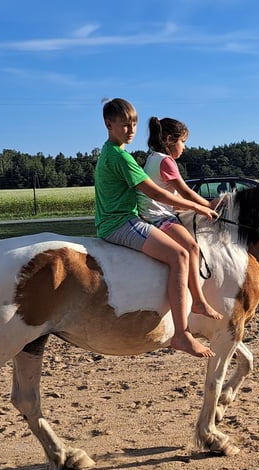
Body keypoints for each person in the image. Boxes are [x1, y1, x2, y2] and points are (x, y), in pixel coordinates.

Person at [94, 98, 219, 358]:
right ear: (109, 124)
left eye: (134, 125)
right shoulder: (121, 157)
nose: (130, 130)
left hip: (116, 220)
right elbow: (157, 194)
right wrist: (199, 208)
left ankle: (195, 305)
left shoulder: (109, 151)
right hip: (121, 223)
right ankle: (182, 335)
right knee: (181, 255)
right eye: (124, 125)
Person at [138, 116, 223, 323]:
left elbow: (174, 198)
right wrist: (208, 206)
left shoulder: (152, 158)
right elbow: (185, 192)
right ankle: (199, 301)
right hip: (158, 217)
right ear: (169, 139)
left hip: (149, 213)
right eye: (182, 141)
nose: (184, 147)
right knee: (192, 248)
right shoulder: (167, 161)